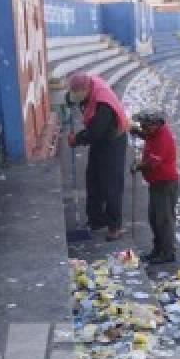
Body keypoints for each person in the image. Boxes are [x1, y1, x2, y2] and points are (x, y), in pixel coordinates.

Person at [67, 72, 129, 241]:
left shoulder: (104, 104)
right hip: (100, 138)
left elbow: (95, 131)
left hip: (113, 140)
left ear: (86, 89)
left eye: (78, 95)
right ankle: (96, 219)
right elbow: (73, 96)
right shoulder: (88, 84)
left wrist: (77, 139)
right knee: (93, 178)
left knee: (111, 184)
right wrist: (68, 101)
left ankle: (115, 226)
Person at [129, 110, 180, 264]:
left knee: (163, 220)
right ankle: (158, 249)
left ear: (156, 125)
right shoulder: (155, 132)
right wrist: (137, 132)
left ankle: (167, 253)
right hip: (157, 184)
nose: (143, 129)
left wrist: (138, 166)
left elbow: (152, 163)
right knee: (154, 218)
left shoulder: (163, 139)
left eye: (146, 126)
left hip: (165, 184)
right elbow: (148, 136)